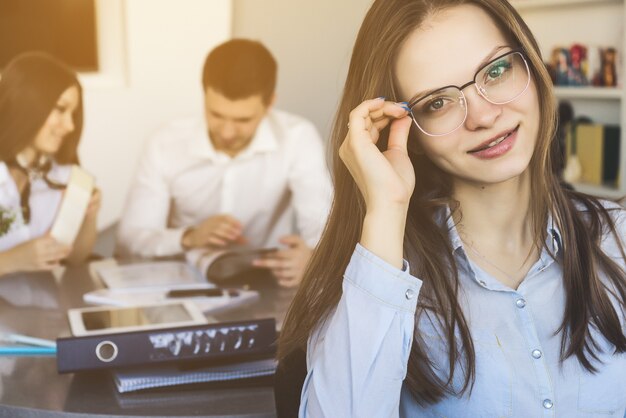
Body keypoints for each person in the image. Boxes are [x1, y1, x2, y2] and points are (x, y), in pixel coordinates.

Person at [277, 0, 626, 416]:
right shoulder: (376, 281)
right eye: (436, 103)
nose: (481, 116)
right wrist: (386, 207)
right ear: (405, 130)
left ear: (531, 67)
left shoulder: (617, 238)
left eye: (496, 72)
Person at [116, 39, 332, 287]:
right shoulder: (164, 143)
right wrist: (189, 237)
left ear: (270, 103)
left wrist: (314, 259)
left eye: (243, 119)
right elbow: (130, 239)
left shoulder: (297, 138)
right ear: (203, 94)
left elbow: (322, 227)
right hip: (183, 282)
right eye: (216, 114)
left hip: (266, 282)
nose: (227, 132)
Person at [0, 52, 101, 276]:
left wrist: (89, 217)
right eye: (60, 109)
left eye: (73, 114)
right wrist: (12, 260)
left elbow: (75, 259)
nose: (69, 126)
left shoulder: (63, 176)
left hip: (40, 306)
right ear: (26, 104)